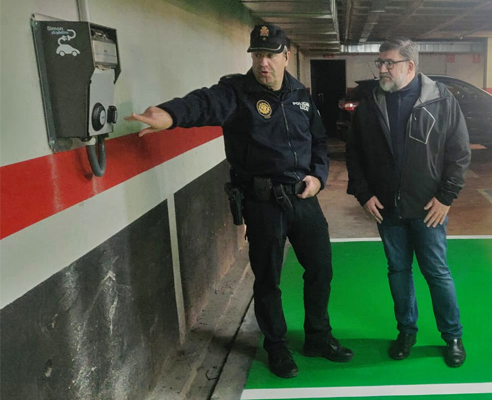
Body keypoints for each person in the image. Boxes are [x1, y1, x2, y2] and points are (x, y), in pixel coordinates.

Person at [125, 24, 352, 379]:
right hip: (262, 202)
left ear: (285, 56)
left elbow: (319, 142)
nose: (263, 63)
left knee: (321, 269)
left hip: (303, 197)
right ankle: (276, 346)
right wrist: (170, 115)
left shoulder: (300, 94)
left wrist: (318, 177)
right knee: (268, 278)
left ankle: (318, 337)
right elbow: (203, 103)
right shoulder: (236, 92)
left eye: (271, 55)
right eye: (257, 55)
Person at [345, 38, 471, 367]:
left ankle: (453, 336)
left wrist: (446, 197)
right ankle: (406, 332)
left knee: (437, 273)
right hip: (388, 208)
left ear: (410, 66)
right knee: (398, 272)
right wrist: (363, 193)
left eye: (389, 63)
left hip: (428, 209)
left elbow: (459, 154)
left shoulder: (441, 101)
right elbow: (354, 152)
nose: (382, 69)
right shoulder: (371, 103)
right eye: (380, 62)